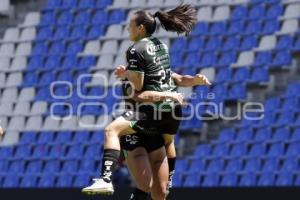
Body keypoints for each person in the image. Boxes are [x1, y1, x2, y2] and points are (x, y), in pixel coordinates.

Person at [82, 4, 198, 197]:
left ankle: (105, 180)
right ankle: (105, 179)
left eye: (130, 25)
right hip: (137, 128)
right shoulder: (159, 48)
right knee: (145, 185)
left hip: (150, 121)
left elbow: (140, 88)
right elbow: (142, 91)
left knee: (160, 192)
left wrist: (128, 74)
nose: (128, 29)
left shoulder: (137, 52)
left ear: (140, 28)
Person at [122, 73, 211, 200]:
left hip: (155, 133)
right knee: (144, 184)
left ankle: (168, 179)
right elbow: (138, 95)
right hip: (135, 132)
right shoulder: (132, 74)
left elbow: (179, 79)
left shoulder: (160, 70)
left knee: (160, 193)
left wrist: (194, 80)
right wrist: (168, 95)